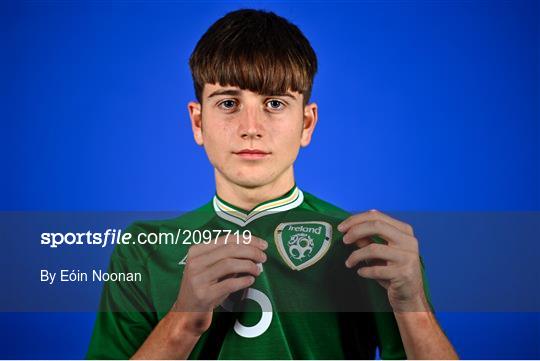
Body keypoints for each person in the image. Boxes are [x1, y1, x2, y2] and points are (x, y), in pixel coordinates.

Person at [87, 8, 458, 359]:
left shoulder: (367, 249)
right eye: (229, 103)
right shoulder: (142, 250)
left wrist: (414, 306)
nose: (251, 127)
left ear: (307, 124)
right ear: (198, 122)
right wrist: (182, 323)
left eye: (275, 104)